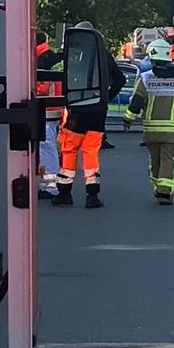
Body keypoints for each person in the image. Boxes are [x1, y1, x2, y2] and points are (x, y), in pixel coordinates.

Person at [58, 22, 119, 208]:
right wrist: (105, 98)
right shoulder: (104, 55)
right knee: (91, 153)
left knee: (69, 150)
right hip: (97, 113)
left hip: (78, 110)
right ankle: (92, 196)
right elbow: (120, 79)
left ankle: (65, 193)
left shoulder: (74, 57)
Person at [131, 40, 174, 203]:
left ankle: (158, 186)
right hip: (172, 131)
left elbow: (136, 101)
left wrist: (128, 119)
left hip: (151, 131)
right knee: (168, 160)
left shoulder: (145, 78)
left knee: (155, 160)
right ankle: (165, 192)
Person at [36, 34, 68, 205]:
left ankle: (50, 187)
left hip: (46, 110)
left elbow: (42, 88)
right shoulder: (53, 57)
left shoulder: (42, 60)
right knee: (48, 148)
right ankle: (48, 185)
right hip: (55, 110)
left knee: (46, 149)